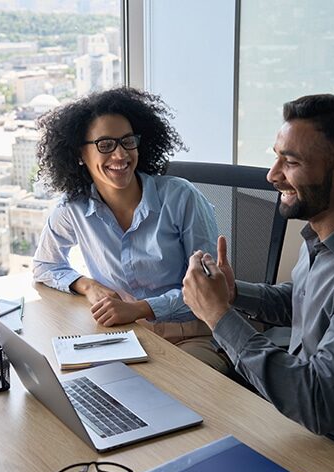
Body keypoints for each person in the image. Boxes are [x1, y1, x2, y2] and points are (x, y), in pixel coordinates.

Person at [182, 93, 334, 455]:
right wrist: (233, 293)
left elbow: (319, 403)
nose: (272, 175)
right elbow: (305, 302)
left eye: (290, 162)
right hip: (298, 424)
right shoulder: (321, 237)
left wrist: (219, 317)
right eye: (276, 156)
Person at [33, 87, 230, 373]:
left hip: (193, 335)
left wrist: (140, 309)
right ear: (79, 154)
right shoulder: (73, 208)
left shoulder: (180, 197)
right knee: (82, 386)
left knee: (168, 393)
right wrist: (88, 286)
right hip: (125, 336)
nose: (120, 154)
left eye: (127, 141)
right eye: (105, 144)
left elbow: (212, 291)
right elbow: (45, 266)